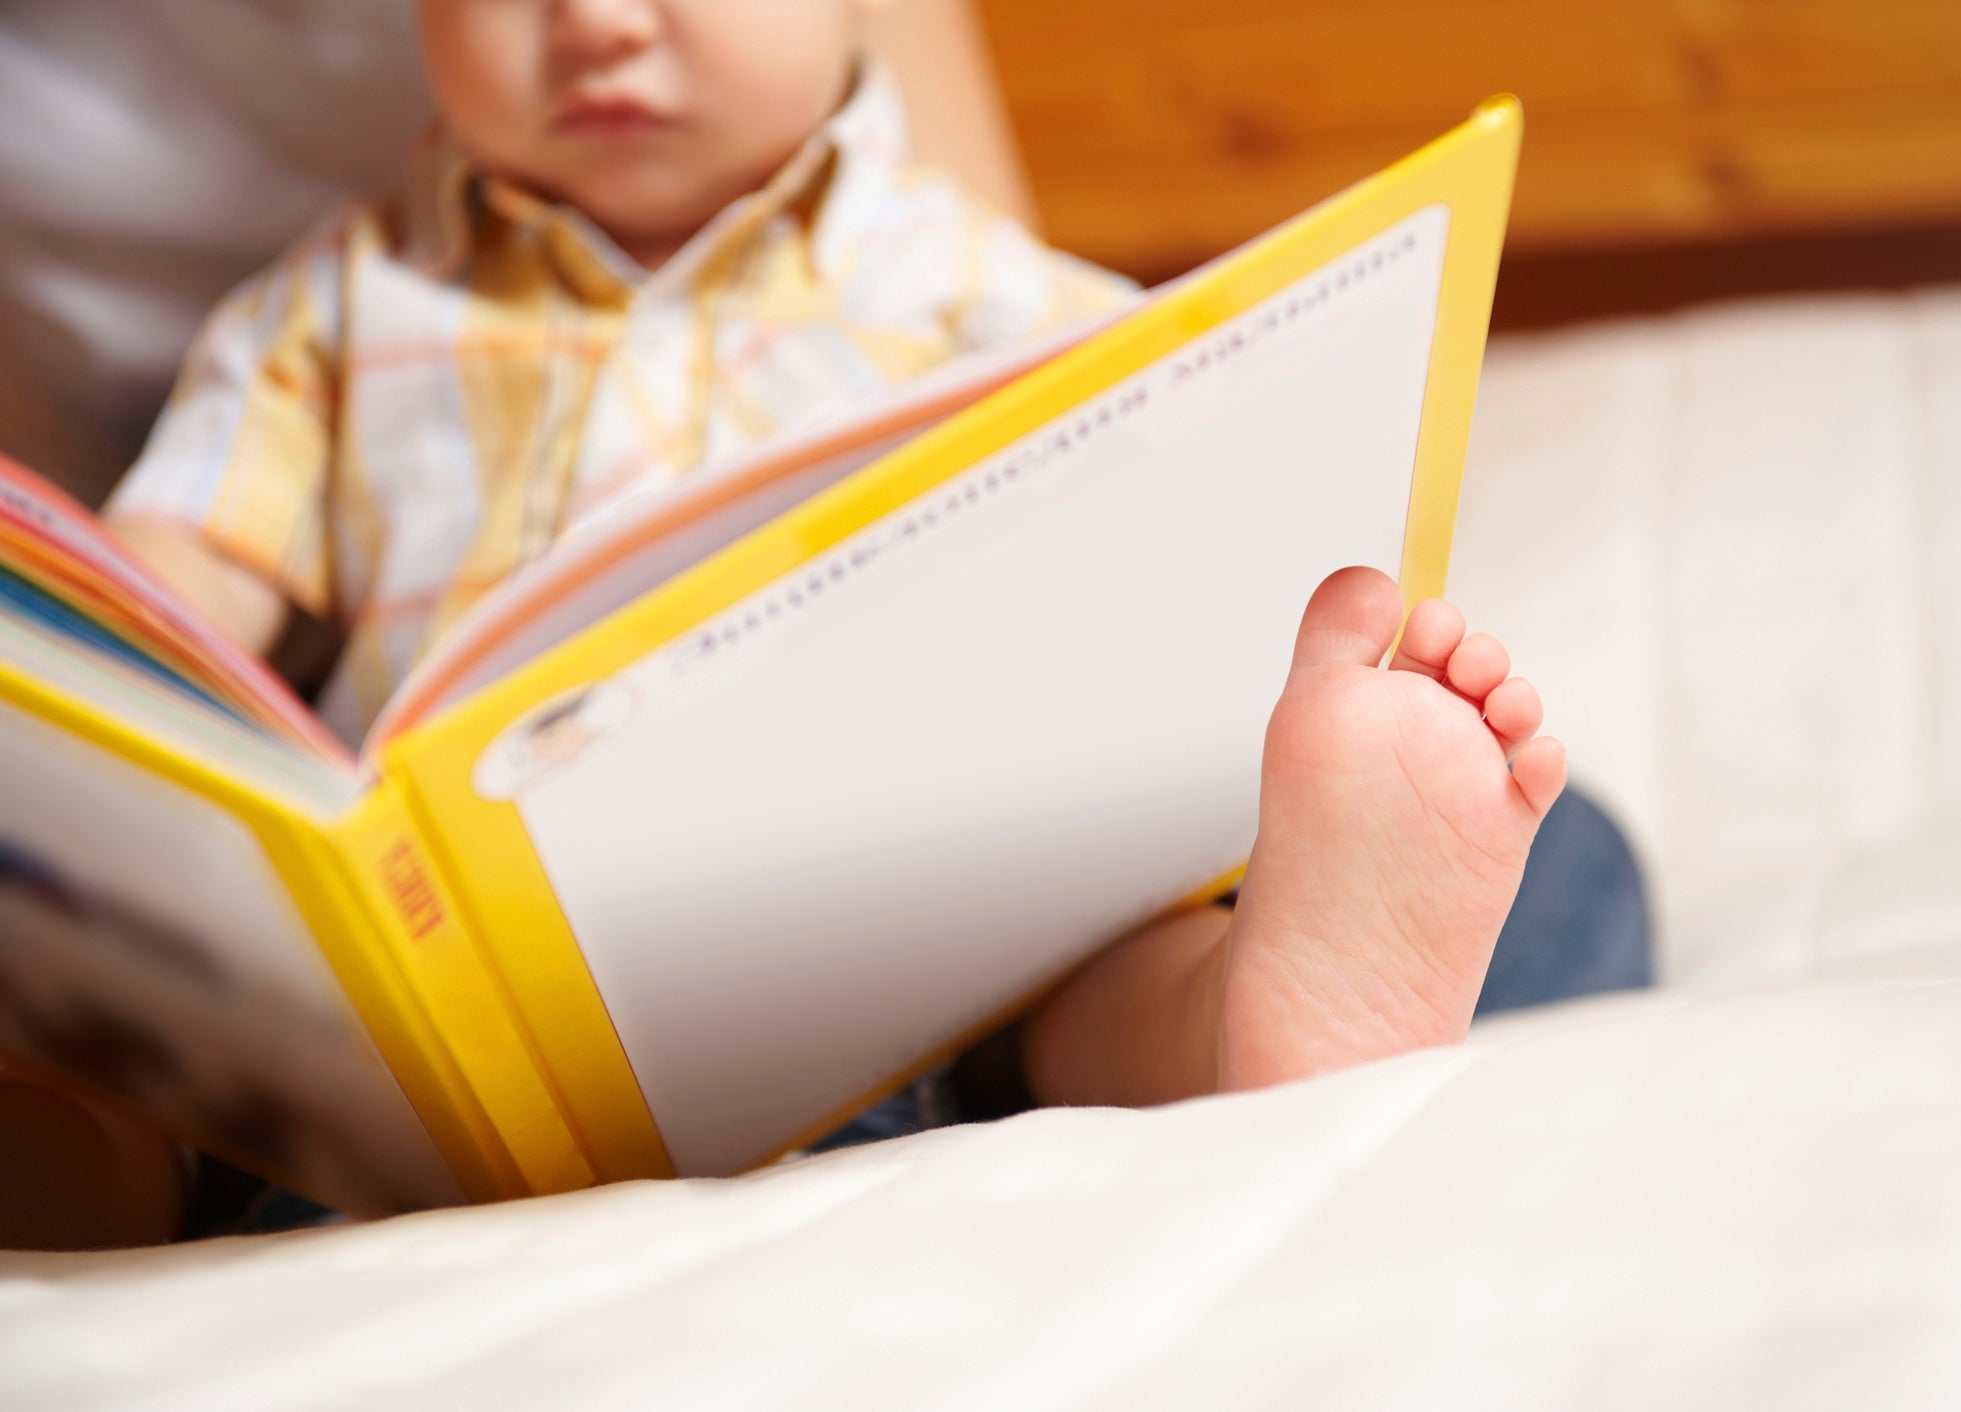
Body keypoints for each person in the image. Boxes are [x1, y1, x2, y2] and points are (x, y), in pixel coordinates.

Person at [1, 0, 1647, 1246]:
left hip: (883, 950)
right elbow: (175, 594)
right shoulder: (340, 306)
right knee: (173, 1040)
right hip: (463, 1003)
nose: (591, 23)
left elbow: (1200, 553)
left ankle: (1253, 1030)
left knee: (1097, 941)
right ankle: (75, 1159)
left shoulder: (981, 301)